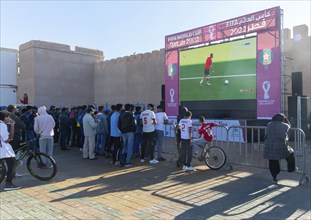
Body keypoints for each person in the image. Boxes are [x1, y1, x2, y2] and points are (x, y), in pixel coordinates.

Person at [264, 113, 293, 184]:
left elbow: (266, 135)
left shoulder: (269, 124)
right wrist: (286, 119)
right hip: (281, 146)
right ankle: (291, 169)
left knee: (273, 161)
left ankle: (274, 178)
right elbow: (289, 126)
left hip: (269, 146)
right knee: (291, 152)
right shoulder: (285, 125)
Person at [0, 110, 21, 190]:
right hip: (3, 149)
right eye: (8, 116)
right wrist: (12, 125)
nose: (9, 118)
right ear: (4, 118)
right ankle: (8, 183)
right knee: (13, 163)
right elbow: (7, 139)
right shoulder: (2, 125)